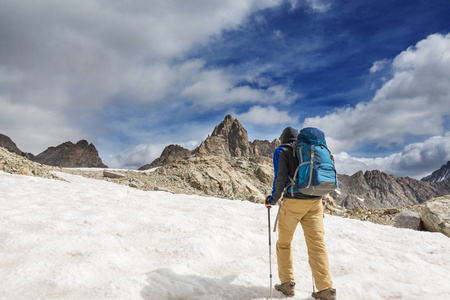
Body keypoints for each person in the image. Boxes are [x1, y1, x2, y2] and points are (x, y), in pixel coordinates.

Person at [265, 126, 336, 300]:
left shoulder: (282, 151)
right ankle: (325, 289)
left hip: (293, 202)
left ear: (282, 139)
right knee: (317, 245)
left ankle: (287, 284)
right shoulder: (309, 150)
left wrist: (272, 200)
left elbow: (280, 178)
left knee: (284, 244)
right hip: (315, 203)